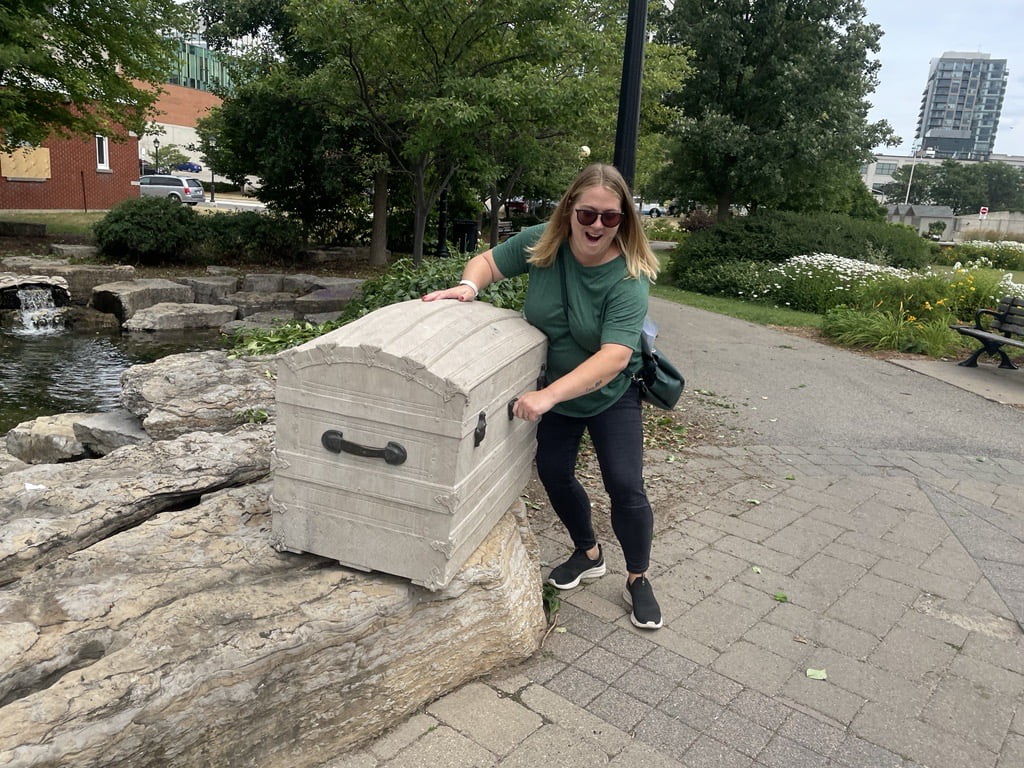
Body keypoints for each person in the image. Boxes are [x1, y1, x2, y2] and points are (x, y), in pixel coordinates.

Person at [422, 163, 663, 629]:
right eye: (588, 213)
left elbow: (614, 356)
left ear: (624, 220)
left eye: (610, 218)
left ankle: (638, 577)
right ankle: (588, 552)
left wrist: (549, 396)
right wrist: (469, 286)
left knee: (625, 485)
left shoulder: (629, 276)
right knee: (554, 473)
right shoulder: (545, 241)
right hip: (555, 388)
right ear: (570, 208)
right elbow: (490, 262)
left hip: (610, 392)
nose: (596, 225)